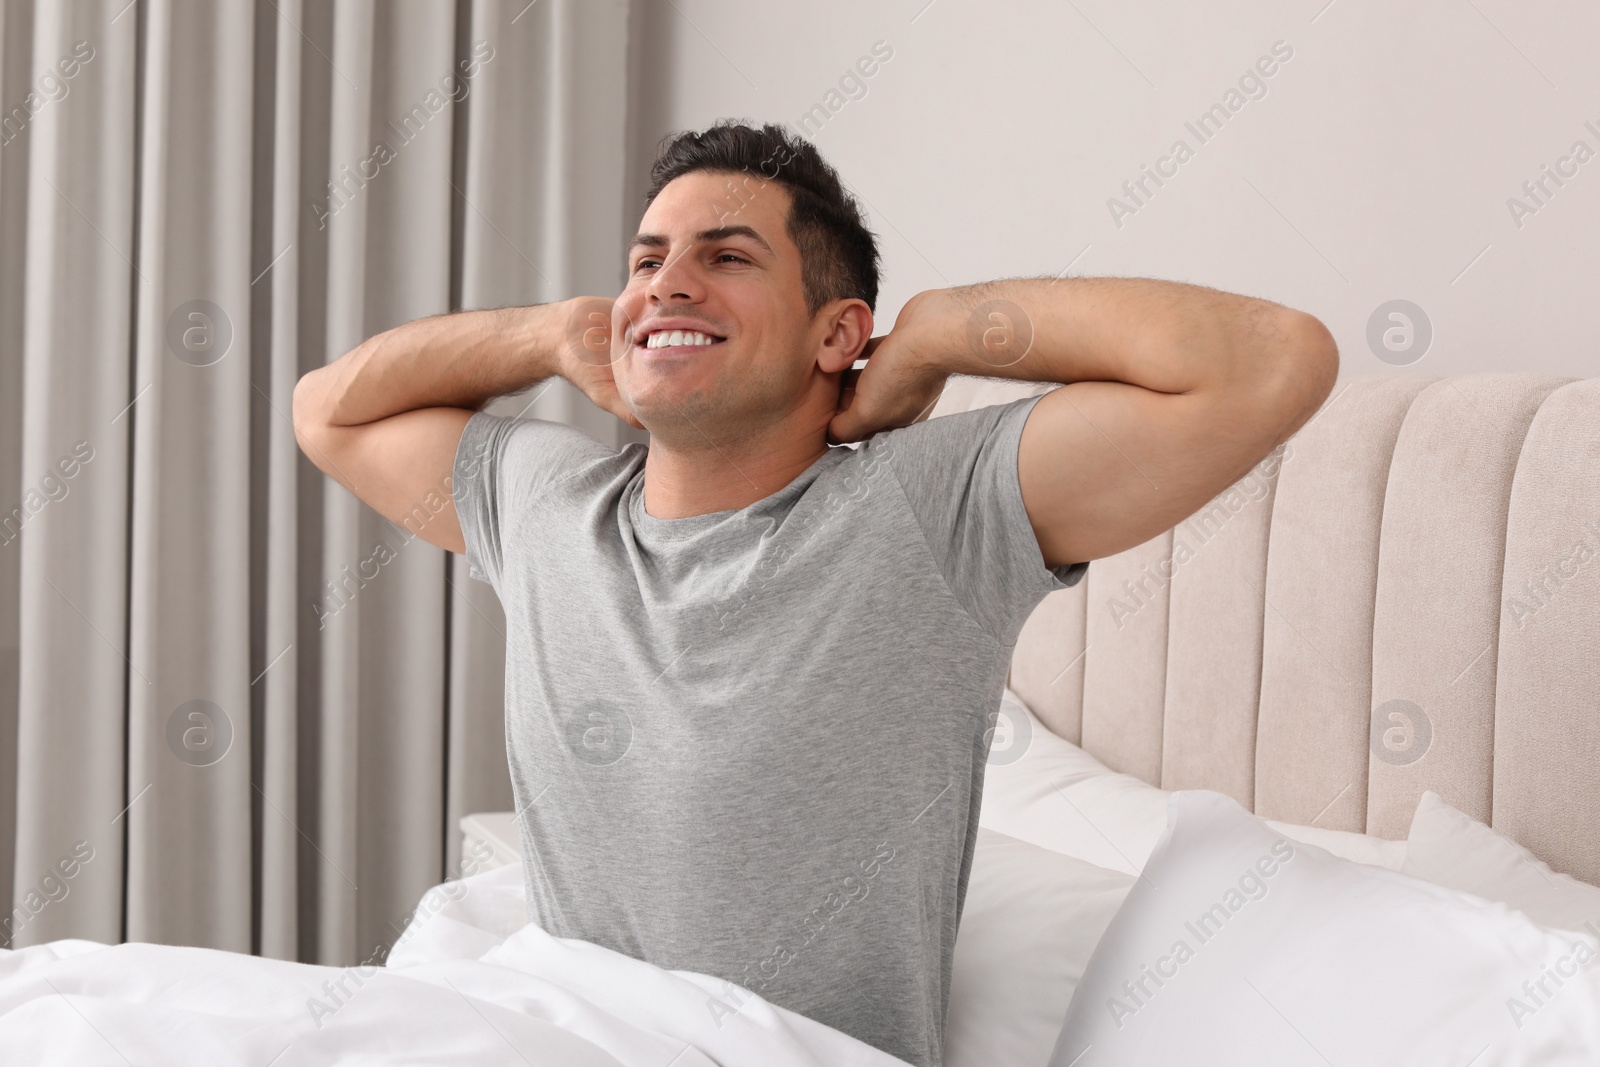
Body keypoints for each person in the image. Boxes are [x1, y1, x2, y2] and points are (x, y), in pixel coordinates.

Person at [292, 119, 1338, 1067]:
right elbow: (325, 412)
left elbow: (1273, 360)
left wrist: (935, 330)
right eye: (647, 260)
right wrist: (549, 335)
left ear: (836, 333)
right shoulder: (546, 507)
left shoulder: (928, 511)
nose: (666, 283)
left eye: (726, 257)